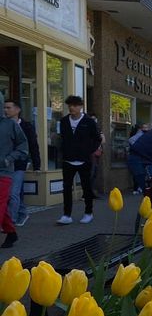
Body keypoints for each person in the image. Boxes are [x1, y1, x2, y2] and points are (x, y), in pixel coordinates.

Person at [57, 96, 102, 225]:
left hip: (84, 160)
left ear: (81, 107)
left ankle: (88, 213)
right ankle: (66, 215)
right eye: (70, 105)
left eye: (75, 105)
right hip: (68, 160)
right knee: (66, 188)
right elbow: (62, 138)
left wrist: (88, 151)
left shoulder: (88, 121)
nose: (72, 108)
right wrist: (63, 151)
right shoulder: (64, 121)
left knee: (86, 188)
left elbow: (97, 138)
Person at [3, 99, 40, 227]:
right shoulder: (4, 124)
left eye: (8, 107)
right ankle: (22, 212)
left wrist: (37, 164)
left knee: (13, 193)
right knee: (13, 192)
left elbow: (33, 145)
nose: (5, 110)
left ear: (17, 110)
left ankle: (11, 221)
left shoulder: (26, 126)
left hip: (19, 163)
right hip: (4, 165)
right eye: (4, 108)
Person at [0, 92, 28, 247]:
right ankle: (11, 233)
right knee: (2, 208)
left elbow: (23, 146)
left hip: (3, 172)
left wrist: (8, 159)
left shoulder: (10, 125)